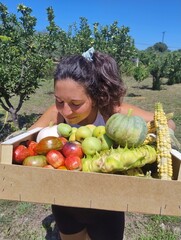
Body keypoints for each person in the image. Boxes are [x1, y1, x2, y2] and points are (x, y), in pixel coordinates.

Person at [29, 47, 176, 240]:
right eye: (59, 101)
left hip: (107, 206)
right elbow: (26, 140)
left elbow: (169, 122)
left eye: (76, 103)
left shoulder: (113, 113)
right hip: (66, 202)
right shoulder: (55, 114)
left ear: (96, 96)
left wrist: (146, 136)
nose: (66, 111)